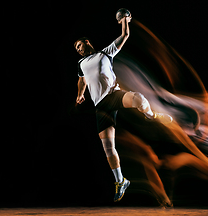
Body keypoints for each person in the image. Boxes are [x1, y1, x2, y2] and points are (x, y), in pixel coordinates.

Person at [74, 12, 173, 202]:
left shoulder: (105, 52)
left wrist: (125, 21)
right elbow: (82, 81)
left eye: (79, 45)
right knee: (108, 148)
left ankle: (151, 115)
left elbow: (125, 36)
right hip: (100, 106)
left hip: (113, 95)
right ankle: (121, 181)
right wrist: (79, 95)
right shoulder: (80, 63)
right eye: (76, 48)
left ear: (87, 42)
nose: (78, 49)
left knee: (138, 99)